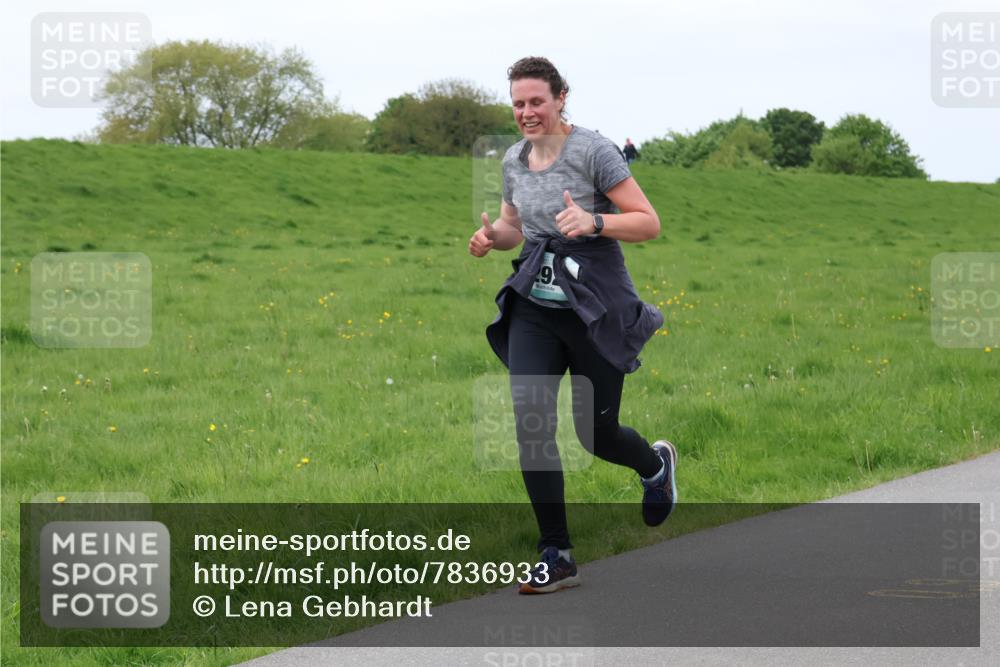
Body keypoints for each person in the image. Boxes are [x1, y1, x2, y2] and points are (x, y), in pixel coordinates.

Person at [468, 56, 678, 595]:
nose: (527, 112)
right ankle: (556, 554)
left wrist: (595, 221)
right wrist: (493, 238)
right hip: (535, 309)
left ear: (561, 98)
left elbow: (648, 222)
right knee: (531, 424)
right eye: (518, 103)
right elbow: (515, 227)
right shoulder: (514, 160)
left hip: (593, 309)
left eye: (537, 101)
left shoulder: (594, 151)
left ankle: (654, 467)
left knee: (596, 434)